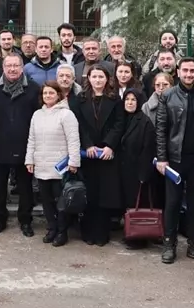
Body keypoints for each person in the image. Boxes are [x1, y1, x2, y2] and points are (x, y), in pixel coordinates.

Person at [155, 57, 194, 265]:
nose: (189, 74)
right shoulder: (168, 95)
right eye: (185, 71)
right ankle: (169, 243)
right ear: (178, 72)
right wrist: (162, 158)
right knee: (172, 203)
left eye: (192, 71)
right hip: (174, 159)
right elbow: (161, 129)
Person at [0, 52, 40, 236]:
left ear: (22, 68)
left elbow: (37, 117)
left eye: (16, 66)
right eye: (8, 66)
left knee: (25, 187)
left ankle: (25, 220)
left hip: (24, 144)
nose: (12, 69)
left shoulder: (33, 89)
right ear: (3, 68)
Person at [73, 64, 123, 246]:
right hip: (89, 154)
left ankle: (102, 233)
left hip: (106, 154)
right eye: (94, 77)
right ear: (89, 79)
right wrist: (88, 145)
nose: (98, 80)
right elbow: (79, 124)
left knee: (105, 194)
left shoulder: (115, 99)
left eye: (101, 77)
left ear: (107, 79)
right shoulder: (80, 99)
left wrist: (109, 145)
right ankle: (88, 231)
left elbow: (119, 124)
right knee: (90, 193)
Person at [26, 83, 80, 246]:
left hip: (60, 168)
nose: (48, 96)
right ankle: (51, 228)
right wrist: (29, 159)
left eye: (51, 93)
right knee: (46, 201)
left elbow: (73, 139)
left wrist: (74, 162)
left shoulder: (66, 114)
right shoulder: (37, 115)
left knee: (60, 202)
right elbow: (31, 139)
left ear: (58, 95)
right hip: (41, 166)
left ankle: (62, 231)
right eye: (45, 93)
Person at [118, 87, 157, 247]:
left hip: (137, 171)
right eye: (127, 99)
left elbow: (148, 149)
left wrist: (144, 174)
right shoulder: (120, 119)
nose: (129, 103)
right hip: (122, 169)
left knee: (137, 204)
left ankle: (138, 238)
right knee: (126, 204)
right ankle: (128, 232)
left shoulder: (144, 122)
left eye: (133, 100)